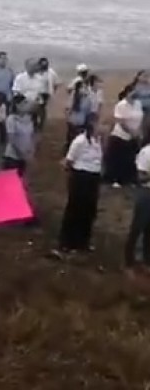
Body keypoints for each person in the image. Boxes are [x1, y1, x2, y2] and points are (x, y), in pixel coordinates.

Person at [54, 113, 102, 257]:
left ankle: (83, 241)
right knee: (75, 209)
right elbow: (69, 160)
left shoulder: (98, 141)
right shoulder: (80, 141)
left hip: (93, 177)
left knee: (89, 210)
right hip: (81, 177)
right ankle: (67, 242)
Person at [104, 84, 144, 188]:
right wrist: (131, 132)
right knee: (119, 158)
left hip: (134, 135)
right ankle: (116, 179)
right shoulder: (121, 105)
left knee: (131, 159)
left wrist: (138, 131)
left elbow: (140, 118)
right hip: (120, 135)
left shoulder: (138, 104)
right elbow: (121, 122)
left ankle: (129, 179)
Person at [125, 137, 150, 277]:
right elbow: (140, 177)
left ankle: (146, 261)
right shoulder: (146, 152)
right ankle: (128, 262)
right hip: (146, 193)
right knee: (137, 227)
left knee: (149, 230)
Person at [2, 94, 35, 178]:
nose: (27, 105)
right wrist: (22, 153)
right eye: (24, 103)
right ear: (17, 105)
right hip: (12, 157)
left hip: (23, 157)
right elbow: (12, 139)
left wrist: (30, 151)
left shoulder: (29, 118)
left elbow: (31, 136)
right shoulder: (11, 119)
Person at [65, 78, 96, 151]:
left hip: (81, 123)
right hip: (73, 123)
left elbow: (89, 111)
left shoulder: (88, 98)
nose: (84, 89)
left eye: (85, 87)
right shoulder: (74, 97)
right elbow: (68, 109)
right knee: (72, 141)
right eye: (82, 87)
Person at [12, 59, 45, 126]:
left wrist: (39, 102)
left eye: (36, 65)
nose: (35, 67)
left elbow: (40, 93)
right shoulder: (20, 78)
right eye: (33, 65)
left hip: (36, 106)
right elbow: (16, 92)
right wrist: (26, 104)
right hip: (23, 106)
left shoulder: (40, 79)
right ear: (27, 66)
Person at [35, 57, 61, 130]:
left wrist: (53, 91)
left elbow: (56, 83)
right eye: (42, 65)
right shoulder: (36, 72)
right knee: (35, 108)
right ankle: (35, 122)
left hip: (45, 93)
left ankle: (41, 124)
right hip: (36, 93)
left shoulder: (51, 72)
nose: (44, 66)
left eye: (45, 65)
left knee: (41, 108)